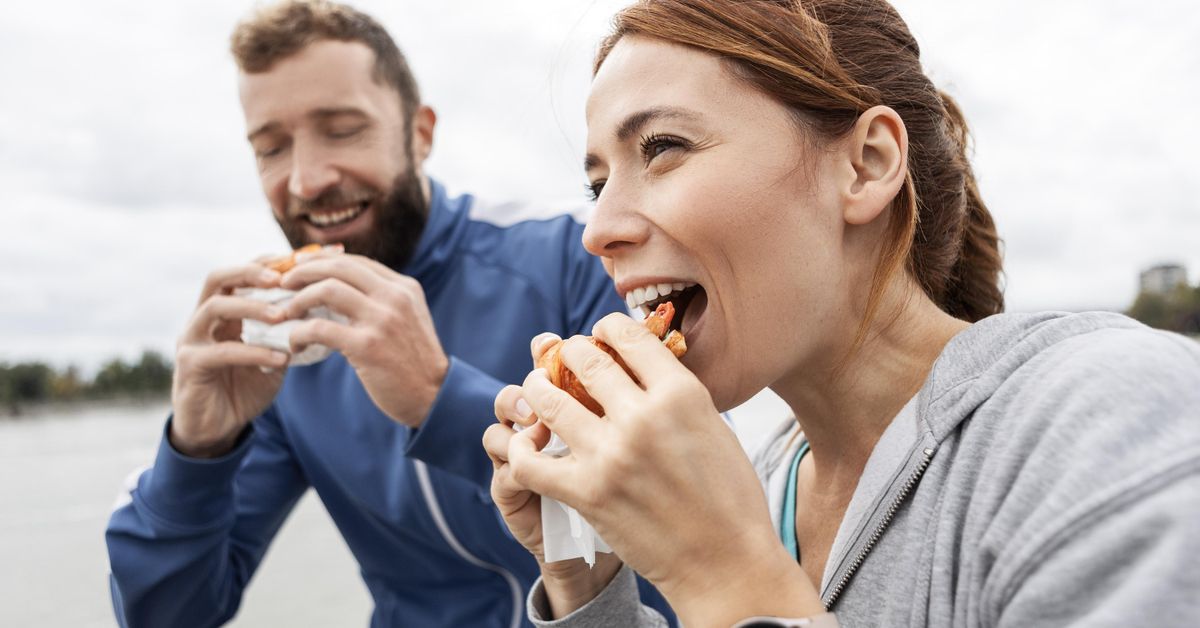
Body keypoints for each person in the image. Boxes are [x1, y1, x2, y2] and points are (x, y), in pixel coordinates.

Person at [484, 0, 1200, 626]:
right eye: (597, 185)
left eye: (663, 147)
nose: (598, 230)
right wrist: (589, 585)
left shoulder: (1114, 419)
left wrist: (724, 572)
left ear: (866, 164)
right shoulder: (764, 483)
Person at [103, 1, 675, 626]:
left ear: (420, 133)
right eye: (271, 148)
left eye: (342, 130)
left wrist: (441, 398)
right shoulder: (283, 344)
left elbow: (682, 512)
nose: (307, 180)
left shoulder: (579, 255)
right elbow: (168, 616)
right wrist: (195, 451)